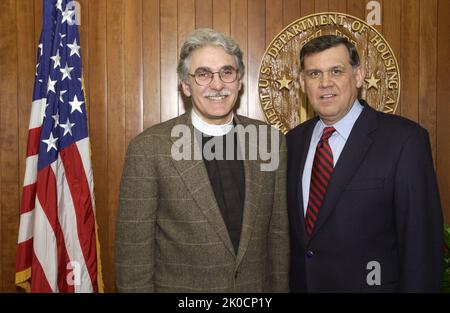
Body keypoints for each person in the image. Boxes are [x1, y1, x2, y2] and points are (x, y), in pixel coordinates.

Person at [115, 28, 289, 292]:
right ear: (186, 85)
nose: (217, 85)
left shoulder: (269, 141)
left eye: (227, 72)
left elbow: (278, 237)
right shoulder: (149, 148)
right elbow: (134, 256)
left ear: (239, 81)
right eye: (203, 74)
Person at [286, 35, 443, 292]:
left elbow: (421, 246)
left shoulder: (404, 140)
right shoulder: (291, 143)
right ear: (303, 83)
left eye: (336, 71)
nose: (325, 83)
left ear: (358, 76)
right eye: (314, 74)